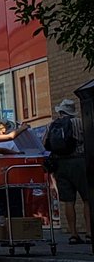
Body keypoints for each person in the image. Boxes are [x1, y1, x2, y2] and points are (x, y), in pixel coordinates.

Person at [45, 98, 90, 244]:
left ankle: (73, 234)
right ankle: (89, 232)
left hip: (60, 165)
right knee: (87, 199)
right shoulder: (79, 122)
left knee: (68, 201)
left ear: (61, 111)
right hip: (79, 161)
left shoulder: (51, 125)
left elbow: (45, 144)